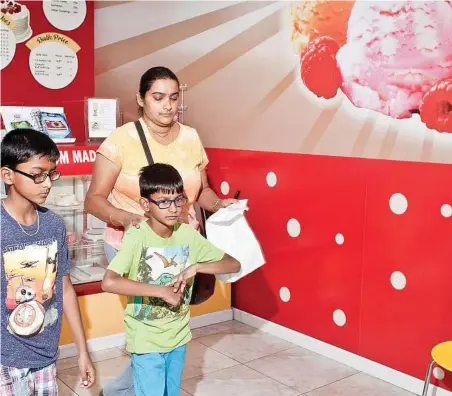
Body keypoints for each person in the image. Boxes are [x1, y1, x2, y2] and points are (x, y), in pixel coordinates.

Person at [84, 66, 237, 396]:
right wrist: (125, 218)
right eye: (158, 97)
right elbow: (93, 199)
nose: (167, 105)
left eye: (173, 97)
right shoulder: (120, 140)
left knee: (165, 328)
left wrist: (219, 204)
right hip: (133, 242)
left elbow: (202, 191)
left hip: (181, 243)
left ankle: (121, 390)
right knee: (148, 323)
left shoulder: (191, 137)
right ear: (141, 99)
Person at [101, 163, 240, 396]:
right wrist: (161, 291)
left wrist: (197, 267)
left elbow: (232, 263)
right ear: (146, 205)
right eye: (163, 202)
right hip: (145, 338)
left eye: (179, 200)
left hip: (179, 335)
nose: (173, 208)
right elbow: (110, 281)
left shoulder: (187, 234)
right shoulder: (137, 237)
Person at [0, 129, 96, 395]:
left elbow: (65, 289)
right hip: (5, 360)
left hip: (46, 356)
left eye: (51, 174)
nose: (47, 184)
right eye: (37, 174)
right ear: (8, 175)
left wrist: (82, 351)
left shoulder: (53, 225)